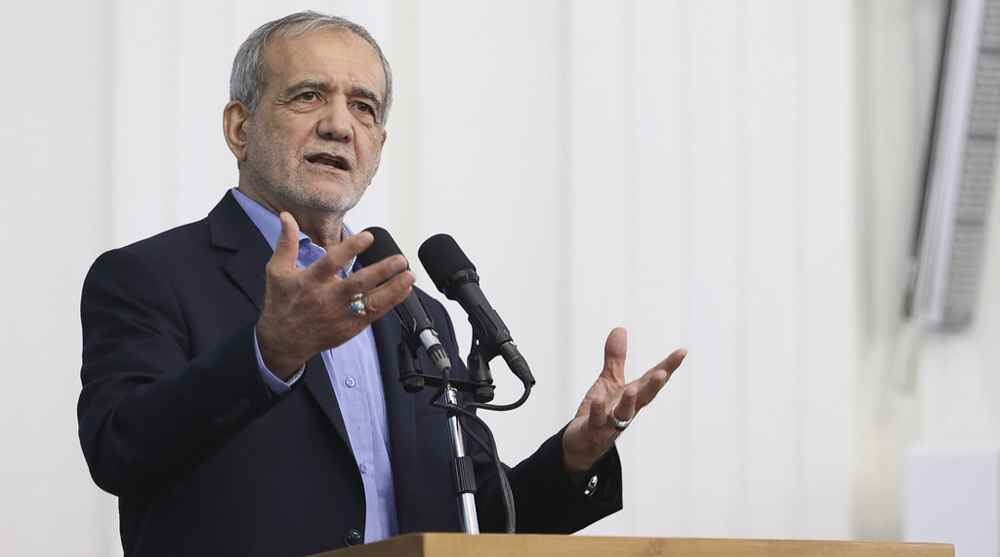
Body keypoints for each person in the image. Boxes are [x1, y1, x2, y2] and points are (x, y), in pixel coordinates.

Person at [77, 11, 686, 557]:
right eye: (308, 96)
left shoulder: (414, 315)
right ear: (240, 127)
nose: (340, 126)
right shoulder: (148, 277)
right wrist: (271, 352)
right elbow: (122, 452)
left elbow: (476, 525)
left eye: (364, 107)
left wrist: (577, 454)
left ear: (378, 146)